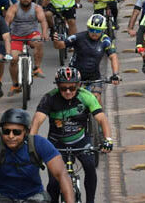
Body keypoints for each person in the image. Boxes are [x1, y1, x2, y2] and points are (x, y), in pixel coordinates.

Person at [30, 67, 114, 203]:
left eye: (72, 87)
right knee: (53, 183)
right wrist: (31, 144)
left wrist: (108, 140)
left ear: (79, 85)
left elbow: (102, 119)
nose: (68, 91)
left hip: (80, 140)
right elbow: (37, 121)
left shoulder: (86, 96)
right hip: (56, 144)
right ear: (57, 86)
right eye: (63, 88)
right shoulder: (49, 98)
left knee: (90, 168)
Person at [0, 108, 74, 203]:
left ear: (26, 132)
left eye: (16, 132)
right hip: (1, 195)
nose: (11, 136)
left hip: (33, 195)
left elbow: (62, 174)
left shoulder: (39, 143)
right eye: (6, 131)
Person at [53, 15, 120, 105]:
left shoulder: (106, 40)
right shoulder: (78, 37)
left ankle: (97, 118)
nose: (94, 33)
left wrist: (115, 74)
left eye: (98, 31)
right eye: (92, 29)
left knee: (96, 99)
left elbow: (113, 57)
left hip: (94, 77)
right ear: (88, 28)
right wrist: (56, 40)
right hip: (75, 75)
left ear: (103, 30)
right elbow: (59, 46)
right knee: (69, 99)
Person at [5, 0, 49, 95]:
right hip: (16, 36)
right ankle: (15, 85)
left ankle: (37, 68)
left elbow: (43, 21)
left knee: (39, 41)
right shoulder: (14, 8)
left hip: (32, 34)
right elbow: (7, 22)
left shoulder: (36, 8)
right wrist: (6, 36)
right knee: (14, 59)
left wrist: (44, 33)